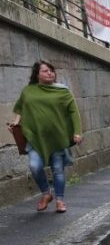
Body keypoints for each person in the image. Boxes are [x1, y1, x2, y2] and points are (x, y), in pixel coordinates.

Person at [7, 60, 83, 214]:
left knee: (57, 170)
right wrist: (15, 125)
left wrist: (77, 132)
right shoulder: (28, 91)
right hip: (36, 138)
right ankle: (46, 194)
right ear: (37, 74)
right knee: (34, 166)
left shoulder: (63, 91)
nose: (50, 73)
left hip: (58, 137)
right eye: (45, 71)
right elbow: (21, 108)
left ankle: (60, 200)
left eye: (51, 70)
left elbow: (74, 112)